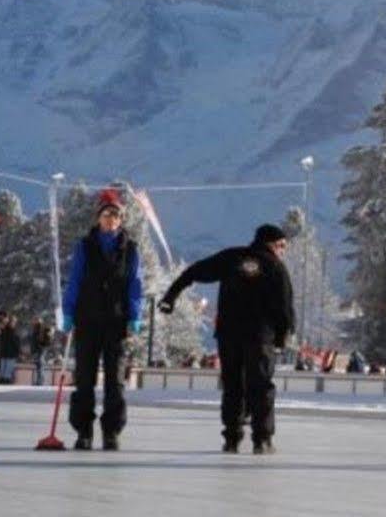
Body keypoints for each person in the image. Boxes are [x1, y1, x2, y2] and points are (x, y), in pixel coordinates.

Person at [161, 222, 293, 455]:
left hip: (229, 334)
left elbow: (194, 271)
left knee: (233, 385)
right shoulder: (275, 266)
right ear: (272, 243)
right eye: (282, 245)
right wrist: (283, 335)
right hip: (259, 337)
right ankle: (261, 439)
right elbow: (284, 305)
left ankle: (232, 438)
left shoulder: (232, 258)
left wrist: (171, 295)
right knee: (260, 386)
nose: (283, 250)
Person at [62, 189, 143, 451]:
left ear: (121, 219)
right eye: (107, 214)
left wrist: (134, 315)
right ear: (98, 218)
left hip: (115, 321)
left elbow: (135, 284)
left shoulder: (130, 250)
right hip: (87, 319)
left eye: (116, 215)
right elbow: (75, 280)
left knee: (114, 381)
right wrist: (68, 311)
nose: (111, 219)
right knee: (84, 378)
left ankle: (111, 431)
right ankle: (83, 431)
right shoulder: (84, 246)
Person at [0, 312, 21, 386]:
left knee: (4, 370)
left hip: (5, 353)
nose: (14, 323)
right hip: (9, 353)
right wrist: (18, 351)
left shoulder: (4, 330)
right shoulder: (11, 331)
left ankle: (2, 382)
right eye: (13, 322)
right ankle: (5, 383)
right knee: (6, 370)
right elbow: (15, 343)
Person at [28, 317, 53, 386]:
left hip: (40, 349)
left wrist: (42, 346)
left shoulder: (42, 328)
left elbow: (48, 338)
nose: (33, 322)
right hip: (38, 349)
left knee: (40, 365)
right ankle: (40, 381)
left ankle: (40, 381)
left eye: (35, 320)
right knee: (39, 365)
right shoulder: (36, 328)